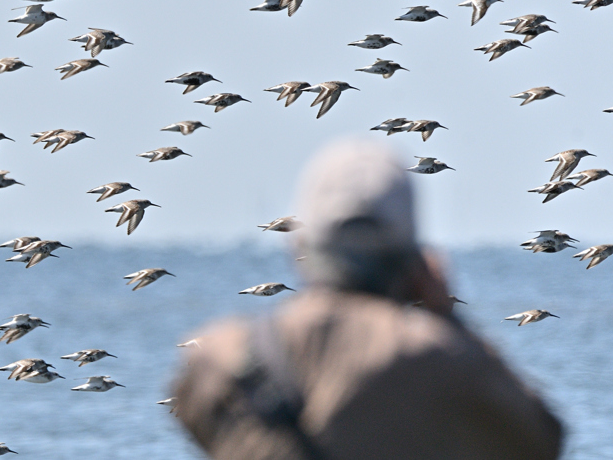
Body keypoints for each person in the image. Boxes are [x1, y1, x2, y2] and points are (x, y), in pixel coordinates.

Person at [173, 140, 563, 460]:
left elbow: (193, 418)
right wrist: (448, 319)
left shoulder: (224, 357)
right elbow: (539, 441)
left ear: (299, 247)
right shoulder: (436, 357)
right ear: (413, 254)